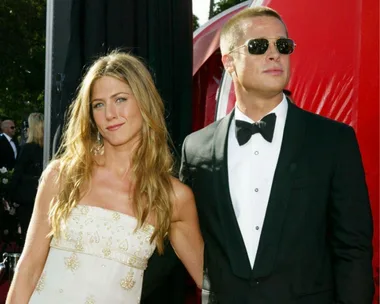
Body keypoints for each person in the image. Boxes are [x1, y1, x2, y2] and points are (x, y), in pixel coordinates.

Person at [179, 6, 374, 304]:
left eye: (283, 46)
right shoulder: (195, 148)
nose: (275, 55)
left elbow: (353, 249)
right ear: (229, 61)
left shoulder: (333, 141)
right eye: (259, 46)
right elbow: (185, 235)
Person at [6, 51, 203, 303]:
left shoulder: (173, 196)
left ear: (144, 102)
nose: (109, 113)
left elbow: (210, 284)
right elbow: (28, 268)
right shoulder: (62, 175)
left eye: (120, 99)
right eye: (98, 104)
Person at [9, 113, 44, 246]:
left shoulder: (26, 149)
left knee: (28, 238)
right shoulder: (48, 147)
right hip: (44, 197)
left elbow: (17, 174)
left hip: (28, 200)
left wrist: (10, 195)